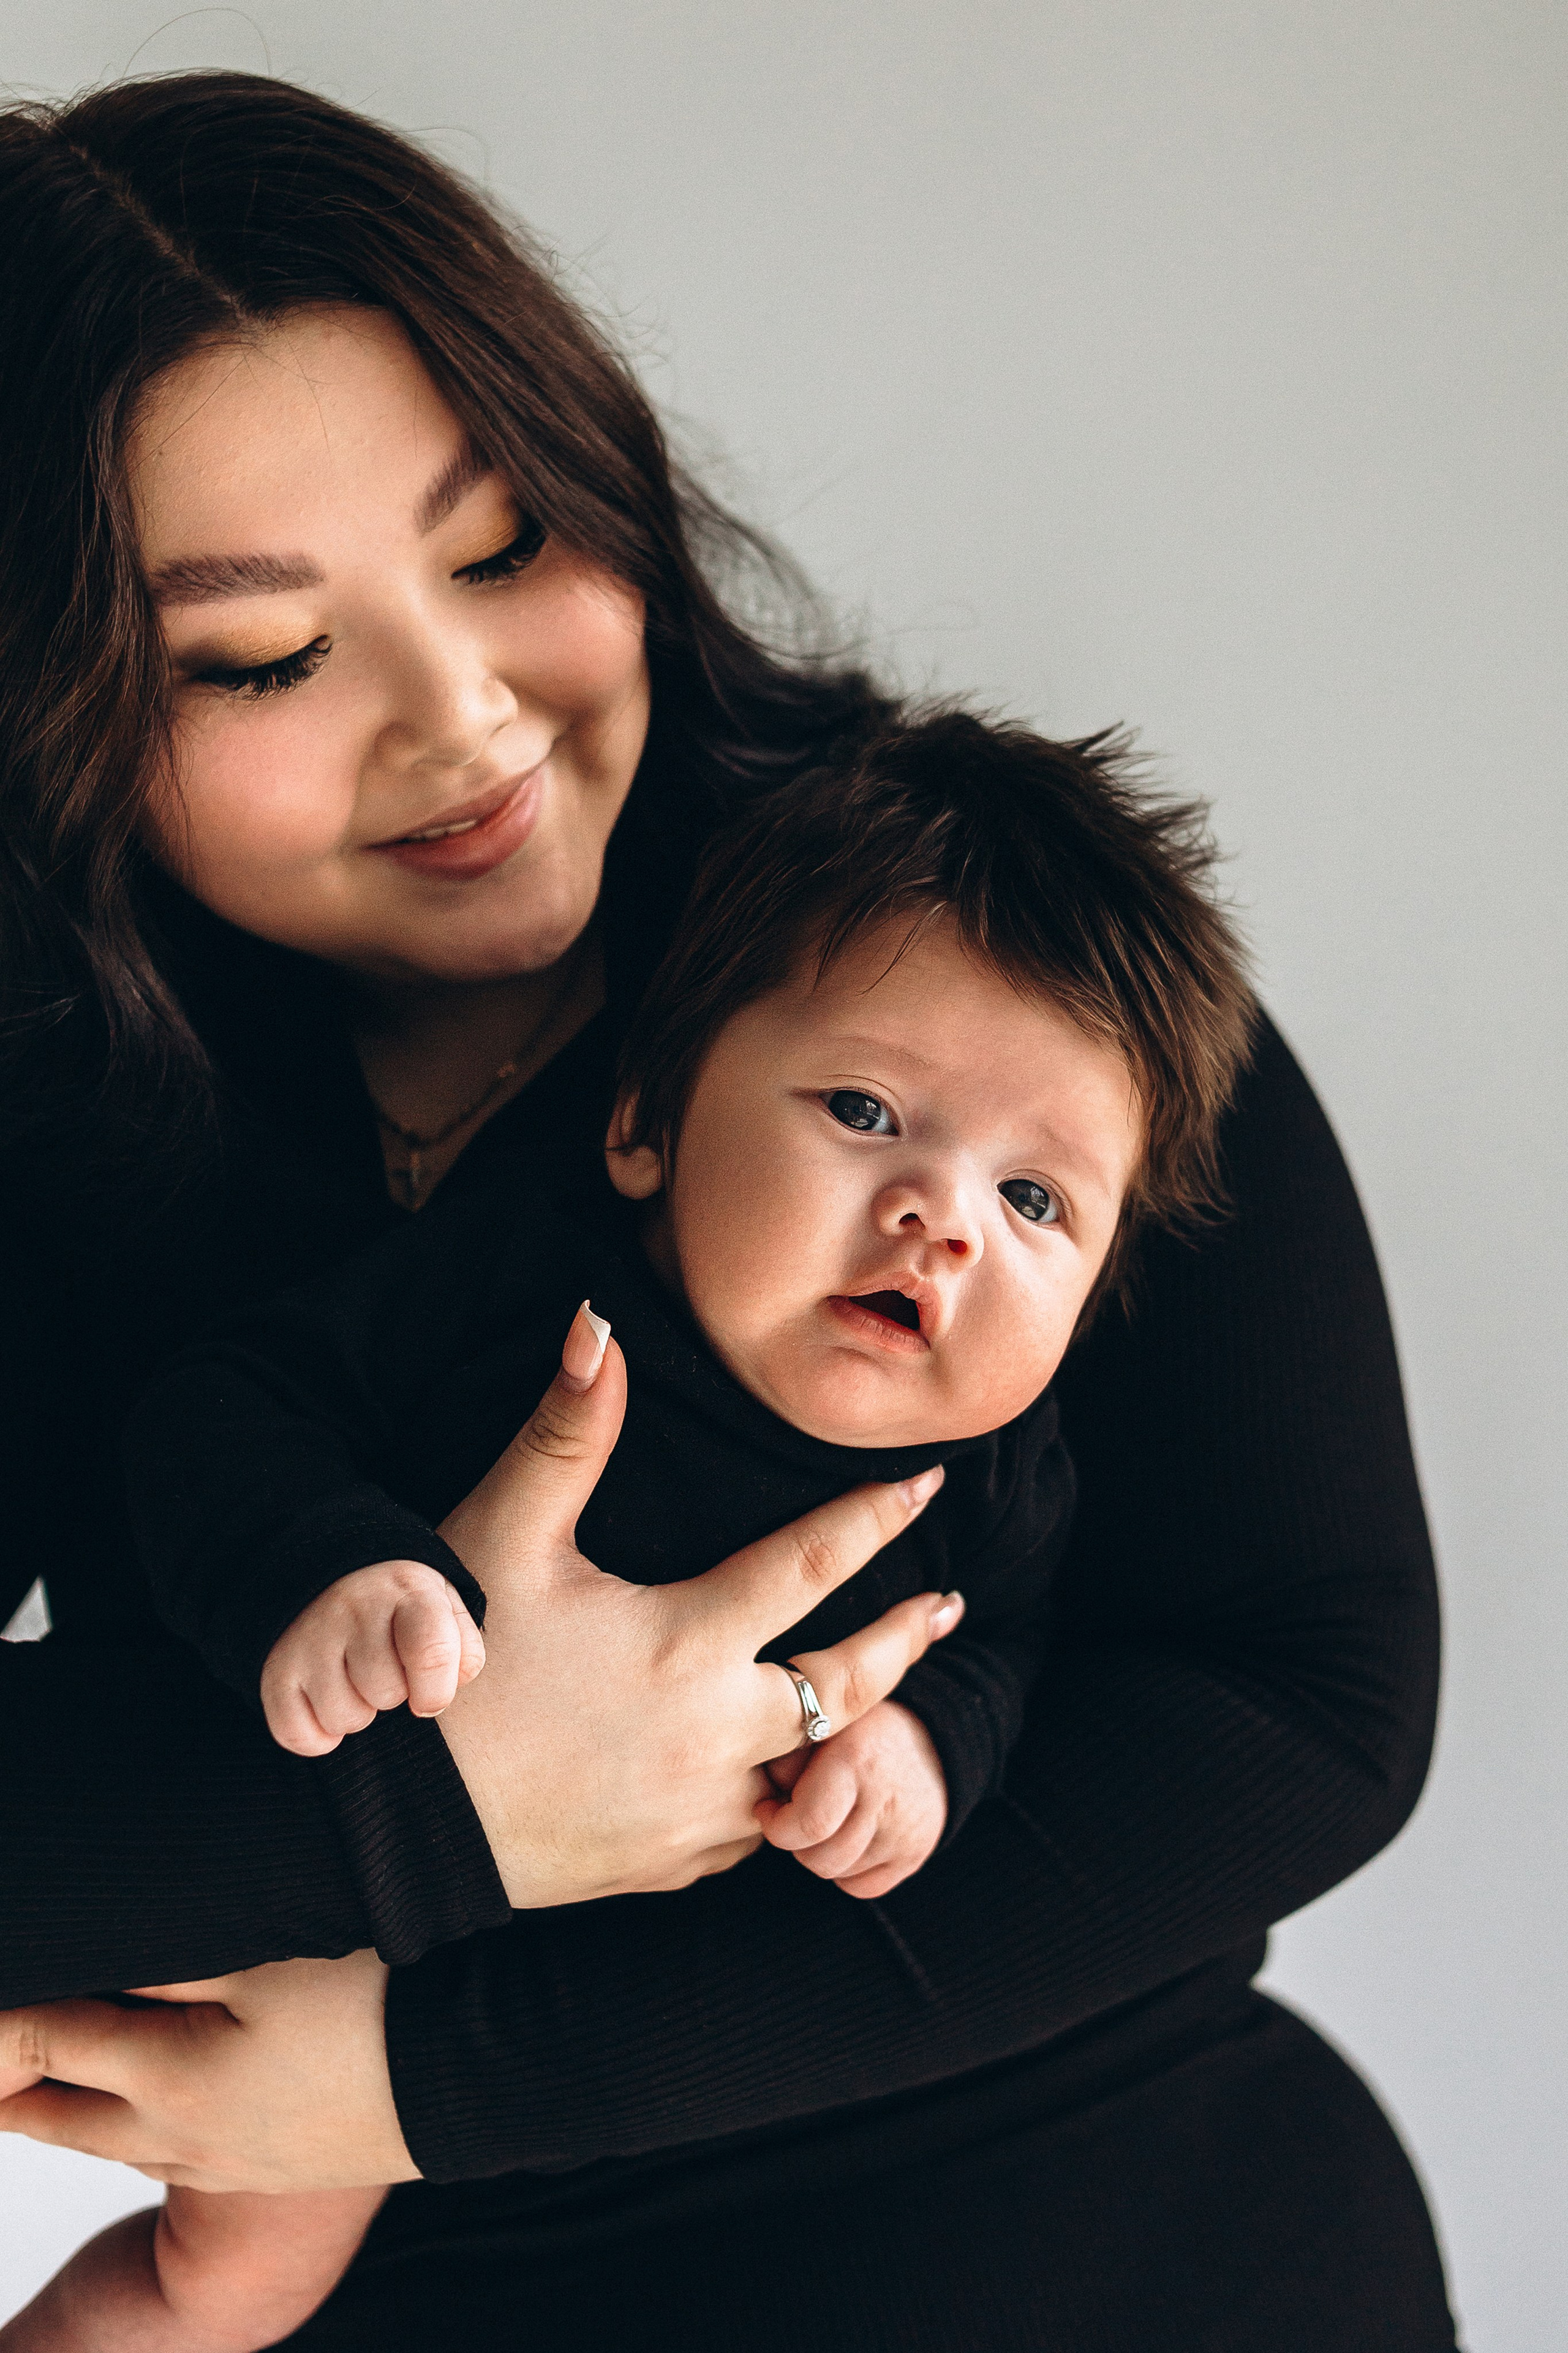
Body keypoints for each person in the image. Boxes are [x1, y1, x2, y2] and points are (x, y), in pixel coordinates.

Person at [0, 70, 1457, 2353]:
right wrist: (453, 1804)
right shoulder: (62, 1146)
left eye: (500, 550)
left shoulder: (977, 958)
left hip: (1116, 2236)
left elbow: (1313, 1699)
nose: (465, 716)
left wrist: (431, 2072)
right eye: (261, 655)